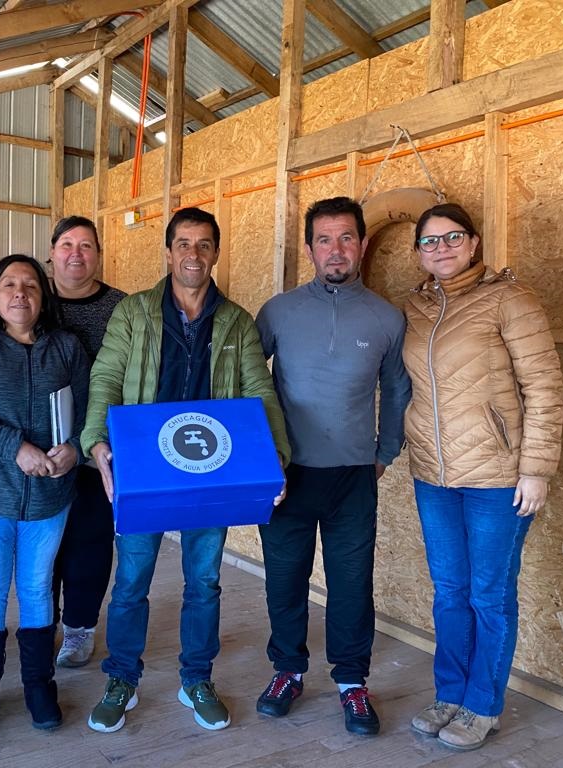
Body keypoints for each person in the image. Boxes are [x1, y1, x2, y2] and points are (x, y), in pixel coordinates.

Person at [81, 207, 291, 734]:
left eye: (203, 245)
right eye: (183, 244)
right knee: (131, 581)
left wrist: (275, 459)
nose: (192, 254)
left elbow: (259, 391)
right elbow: (106, 378)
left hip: (209, 473)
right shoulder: (133, 313)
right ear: (168, 251)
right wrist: (97, 443)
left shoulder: (237, 321)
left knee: (204, 582)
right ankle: (122, 678)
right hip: (144, 473)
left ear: (215, 253)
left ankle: (196, 677)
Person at [403, 203, 563, 751]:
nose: (441, 248)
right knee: (450, 592)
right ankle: (450, 694)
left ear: (473, 243)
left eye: (452, 237)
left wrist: (536, 469)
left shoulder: (510, 300)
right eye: (429, 241)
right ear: (418, 253)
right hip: (434, 476)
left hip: (497, 476)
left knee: (489, 596)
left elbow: (544, 386)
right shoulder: (416, 307)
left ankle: (482, 706)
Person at [253, 196, 411, 736]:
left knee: (351, 584)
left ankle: (351, 681)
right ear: (309, 249)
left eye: (346, 238)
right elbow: (247, 380)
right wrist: (258, 458)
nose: (335, 249)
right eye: (324, 239)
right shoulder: (278, 312)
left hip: (353, 477)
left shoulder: (386, 318)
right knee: (285, 580)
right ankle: (287, 671)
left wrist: (385, 452)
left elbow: (396, 389)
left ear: (362, 245)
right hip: (287, 476)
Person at [0, 254, 90, 737]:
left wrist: (75, 448)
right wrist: (16, 447)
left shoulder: (66, 347)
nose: (20, 292)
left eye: (30, 284)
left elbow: (92, 406)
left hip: (50, 495)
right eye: (9, 284)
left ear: (43, 297)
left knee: (36, 588)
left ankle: (38, 686)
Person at [47, 216, 126, 669]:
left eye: (86, 246)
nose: (76, 253)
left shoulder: (121, 307)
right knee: (43, 544)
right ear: (52, 252)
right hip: (43, 450)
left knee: (90, 543)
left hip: (99, 451)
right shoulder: (32, 299)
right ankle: (42, 623)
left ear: (98, 254)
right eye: (67, 244)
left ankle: (79, 628)